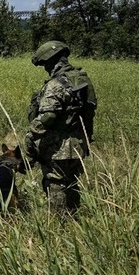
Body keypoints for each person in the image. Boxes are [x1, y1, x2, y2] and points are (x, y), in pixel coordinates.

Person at [24, 40, 97, 214]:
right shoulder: (82, 80)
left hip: (58, 147)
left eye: (45, 64)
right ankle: (74, 219)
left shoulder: (56, 84)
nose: (46, 69)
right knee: (71, 182)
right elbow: (90, 110)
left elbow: (48, 115)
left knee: (56, 184)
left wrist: (31, 135)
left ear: (51, 61)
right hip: (78, 144)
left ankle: (59, 225)